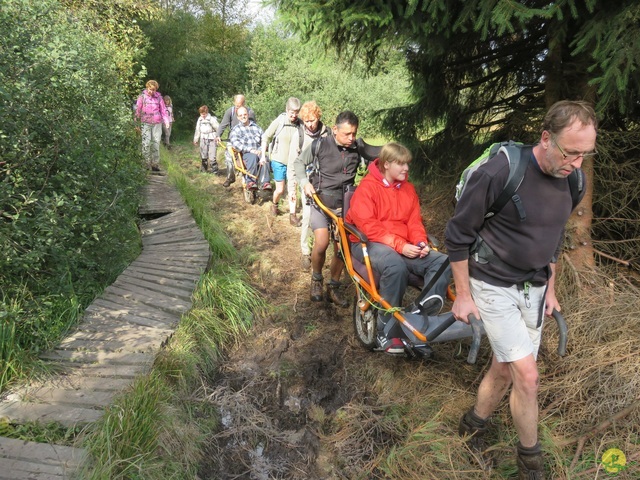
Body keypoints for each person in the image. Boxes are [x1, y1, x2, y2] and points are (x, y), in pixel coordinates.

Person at [444, 100, 597, 479]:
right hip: (492, 283)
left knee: (505, 367)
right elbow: (457, 235)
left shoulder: (573, 180)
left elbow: (553, 236)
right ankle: (531, 463)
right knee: (528, 375)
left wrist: (553, 288)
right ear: (546, 138)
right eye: (570, 152)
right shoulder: (501, 171)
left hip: (535, 288)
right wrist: (463, 294)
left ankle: (472, 424)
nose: (576, 164)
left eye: (585, 154)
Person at [345, 142, 451, 354]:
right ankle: (386, 329)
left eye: (407, 164)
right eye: (401, 164)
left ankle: (420, 315)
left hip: (401, 245)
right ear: (386, 164)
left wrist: (420, 242)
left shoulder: (408, 189)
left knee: (442, 261)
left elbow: (414, 222)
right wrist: (401, 246)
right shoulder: (367, 188)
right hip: (367, 243)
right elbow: (368, 226)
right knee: (395, 265)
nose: (406, 169)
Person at [294, 110, 366, 307]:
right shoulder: (320, 145)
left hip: (345, 206)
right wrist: (304, 182)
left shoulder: (358, 148)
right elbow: (299, 163)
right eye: (347, 134)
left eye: (354, 133)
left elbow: (381, 156)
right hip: (321, 203)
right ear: (335, 130)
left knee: (342, 248)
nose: (351, 138)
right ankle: (316, 280)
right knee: (322, 242)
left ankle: (333, 286)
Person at [297, 101, 329, 270]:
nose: (310, 124)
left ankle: (321, 248)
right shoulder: (300, 134)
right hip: (307, 182)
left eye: (313, 120)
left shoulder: (328, 133)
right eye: (306, 121)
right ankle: (305, 251)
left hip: (325, 181)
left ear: (318, 117)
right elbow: (295, 162)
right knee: (308, 215)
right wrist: (300, 183)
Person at [261, 97, 303, 225]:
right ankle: (274, 204)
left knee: (292, 189)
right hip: (278, 160)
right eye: (292, 112)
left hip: (294, 162)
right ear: (287, 109)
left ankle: (293, 216)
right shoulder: (280, 121)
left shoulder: (300, 124)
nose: (294, 115)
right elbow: (266, 137)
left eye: (296, 112)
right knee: (280, 189)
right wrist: (263, 155)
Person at [216, 94, 257, 188]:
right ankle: (230, 177)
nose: (238, 107)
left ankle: (255, 178)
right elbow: (223, 124)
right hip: (233, 139)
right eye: (237, 105)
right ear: (234, 103)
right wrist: (218, 135)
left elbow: (254, 128)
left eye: (240, 105)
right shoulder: (230, 111)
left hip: (247, 140)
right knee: (229, 156)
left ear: (244, 103)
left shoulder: (250, 112)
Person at [135, 80, 171, 171]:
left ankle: (155, 164)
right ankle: (145, 164)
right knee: (146, 143)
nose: (151, 91)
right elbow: (138, 111)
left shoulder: (159, 98)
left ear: (156, 89)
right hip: (145, 123)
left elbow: (163, 111)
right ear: (147, 88)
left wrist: (166, 121)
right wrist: (136, 123)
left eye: (153, 89)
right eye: (150, 89)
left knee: (156, 143)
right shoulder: (142, 97)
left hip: (157, 123)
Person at [229, 106, 267, 190]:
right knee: (252, 157)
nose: (243, 116)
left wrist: (260, 150)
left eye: (245, 114)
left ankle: (265, 183)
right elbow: (235, 143)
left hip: (258, 151)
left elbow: (264, 139)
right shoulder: (236, 130)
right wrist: (250, 150)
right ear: (238, 117)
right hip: (245, 154)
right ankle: (250, 181)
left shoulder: (257, 128)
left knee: (265, 158)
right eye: (241, 115)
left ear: (248, 114)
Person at [193, 105, 221, 174]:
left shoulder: (212, 119)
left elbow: (218, 128)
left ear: (207, 112)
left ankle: (215, 170)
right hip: (203, 138)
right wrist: (196, 139)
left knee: (212, 155)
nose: (203, 115)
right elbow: (197, 130)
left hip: (212, 138)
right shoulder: (199, 120)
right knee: (203, 154)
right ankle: (204, 169)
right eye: (201, 114)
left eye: (204, 114)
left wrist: (218, 137)